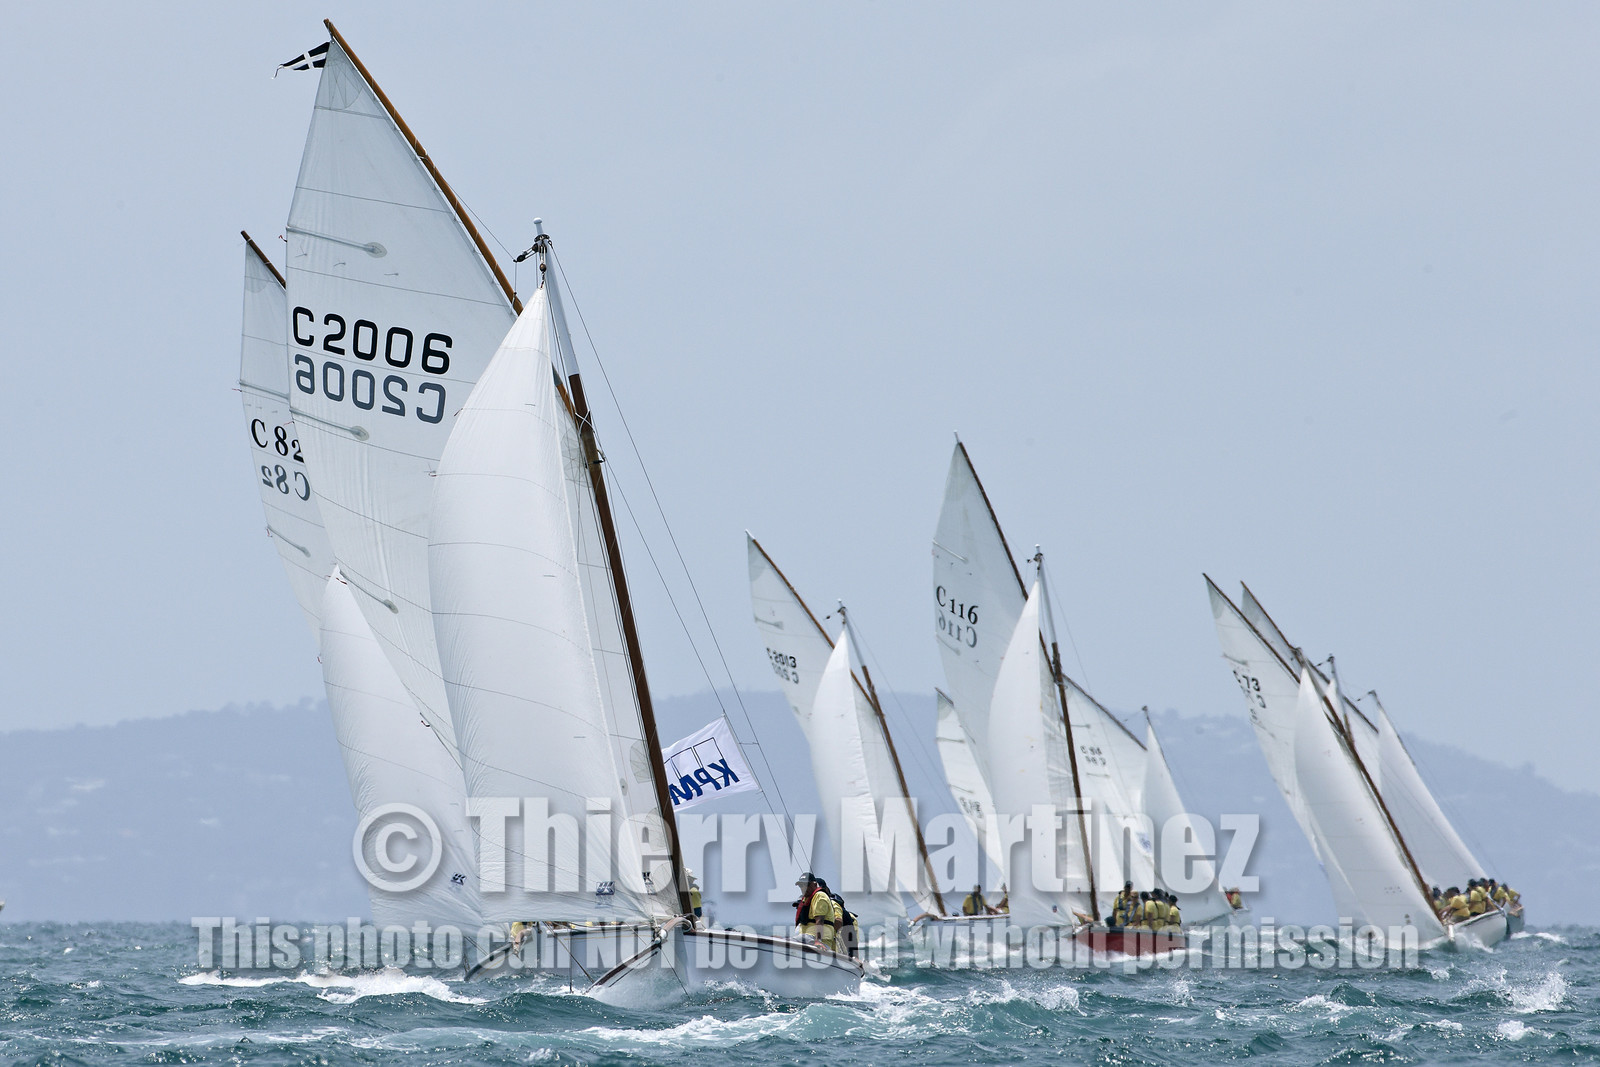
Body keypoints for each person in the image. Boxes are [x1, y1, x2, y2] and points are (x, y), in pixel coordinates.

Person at [793, 872, 839, 950]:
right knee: (785, 939)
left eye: (807, 885)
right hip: (807, 938)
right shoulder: (806, 898)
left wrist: (818, 941)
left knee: (785, 941)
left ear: (814, 885)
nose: (804, 888)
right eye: (801, 885)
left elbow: (820, 920)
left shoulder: (820, 895)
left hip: (815, 939)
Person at [817, 877, 859, 958]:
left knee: (849, 954)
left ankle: (853, 959)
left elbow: (838, 923)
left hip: (849, 924)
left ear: (826, 890)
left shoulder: (833, 903)